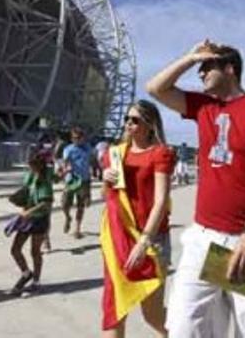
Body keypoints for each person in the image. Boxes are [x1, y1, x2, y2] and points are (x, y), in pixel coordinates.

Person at [147, 40, 245, 337]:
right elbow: (155, 89)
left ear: (230, 69)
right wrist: (190, 57)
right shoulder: (203, 107)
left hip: (244, 242)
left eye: (207, 67)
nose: (200, 74)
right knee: (185, 326)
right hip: (205, 238)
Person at [99, 100, 175, 337]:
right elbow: (107, 197)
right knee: (114, 307)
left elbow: (161, 201)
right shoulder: (116, 153)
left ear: (150, 125)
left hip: (150, 239)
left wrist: (144, 242)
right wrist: (105, 180)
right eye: (127, 119)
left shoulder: (160, 153)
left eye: (135, 120)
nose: (129, 124)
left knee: (151, 314)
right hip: (119, 236)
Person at [7, 152, 53, 295]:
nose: (30, 168)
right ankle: (26, 273)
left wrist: (29, 212)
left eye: (33, 165)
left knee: (35, 251)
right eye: (30, 165)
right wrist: (17, 198)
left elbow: (46, 203)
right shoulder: (30, 176)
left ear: (39, 165)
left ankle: (36, 281)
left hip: (39, 219)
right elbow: (26, 192)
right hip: (27, 219)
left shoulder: (44, 181)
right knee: (15, 249)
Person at [60, 126, 94, 238]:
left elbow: (92, 161)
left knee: (81, 205)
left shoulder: (88, 148)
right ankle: (67, 217)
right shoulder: (68, 149)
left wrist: (96, 173)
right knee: (64, 204)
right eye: (75, 137)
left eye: (79, 137)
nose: (77, 139)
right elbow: (64, 163)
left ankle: (77, 229)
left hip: (84, 181)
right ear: (71, 138)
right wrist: (65, 169)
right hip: (71, 181)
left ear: (83, 138)